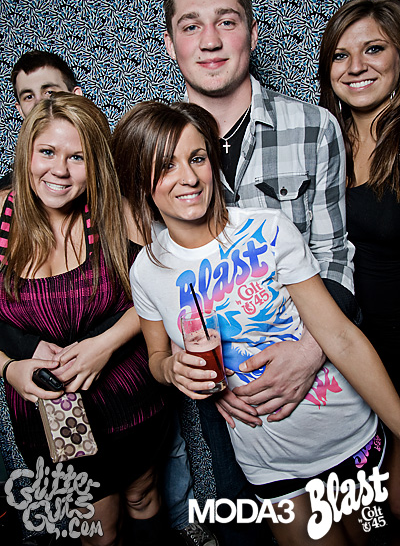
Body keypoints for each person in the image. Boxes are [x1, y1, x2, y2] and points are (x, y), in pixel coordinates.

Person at [117, 100, 400, 546]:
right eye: (166, 166)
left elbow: (341, 337)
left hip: (347, 436)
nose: (189, 178)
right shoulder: (147, 271)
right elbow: (156, 356)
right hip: (271, 463)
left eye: (197, 158)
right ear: (139, 181)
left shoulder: (269, 229)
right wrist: (171, 369)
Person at [160, 0, 358, 541]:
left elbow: (334, 252)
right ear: (171, 44)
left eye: (227, 21)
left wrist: (312, 350)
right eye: (191, 25)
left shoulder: (313, 127)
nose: (211, 40)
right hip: (233, 408)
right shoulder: (153, 148)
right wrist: (206, 376)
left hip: (328, 385)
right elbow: (162, 276)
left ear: (251, 31)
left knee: (364, 524)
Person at [0, 92, 169, 546]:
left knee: (143, 496)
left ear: (94, 163)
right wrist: (8, 368)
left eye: (76, 157)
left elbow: (162, 295)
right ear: (27, 152)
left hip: (128, 397)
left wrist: (104, 344)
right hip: (49, 414)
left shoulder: (117, 212)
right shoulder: (2, 215)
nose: (59, 170)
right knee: (98, 531)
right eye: (47, 152)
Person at [318, 0, 400, 539]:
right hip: (342, 352)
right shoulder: (325, 139)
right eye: (340, 55)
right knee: (356, 510)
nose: (355, 67)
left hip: (398, 346)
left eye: (373, 49)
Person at [0, 50, 83, 190]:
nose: (40, 103)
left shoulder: (110, 181)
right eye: (28, 97)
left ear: (76, 96)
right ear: (20, 110)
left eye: (50, 92)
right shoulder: (6, 191)